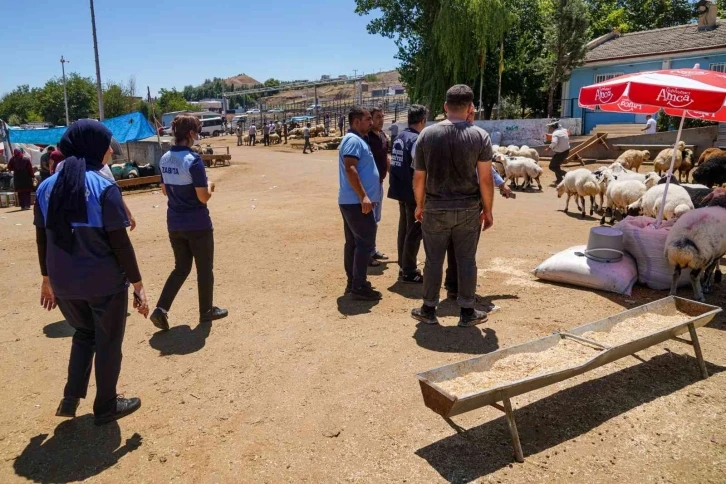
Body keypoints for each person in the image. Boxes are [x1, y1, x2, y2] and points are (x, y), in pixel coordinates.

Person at [34, 119, 147, 425]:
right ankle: (107, 406)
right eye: (107, 143)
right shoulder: (103, 186)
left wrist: (47, 279)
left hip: (64, 283)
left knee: (84, 333)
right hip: (103, 282)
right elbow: (120, 244)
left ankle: (71, 396)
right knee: (108, 342)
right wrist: (138, 284)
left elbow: (42, 237)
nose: (111, 149)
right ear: (94, 147)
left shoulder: (45, 187)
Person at [411, 84, 494, 327]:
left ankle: (428, 309)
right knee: (467, 260)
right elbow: (486, 179)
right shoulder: (480, 136)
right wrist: (487, 210)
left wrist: (419, 205)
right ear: (470, 108)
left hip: (434, 208)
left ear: (446, 107)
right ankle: (467, 311)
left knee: (432, 260)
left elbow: (419, 177)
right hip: (468, 209)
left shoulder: (426, 135)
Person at [150, 115, 228, 330]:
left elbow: (165, 190)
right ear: (191, 134)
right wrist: (211, 185)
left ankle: (160, 309)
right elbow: (203, 197)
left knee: (181, 268)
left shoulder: (165, 158)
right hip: (197, 224)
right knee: (204, 269)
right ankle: (206, 312)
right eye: (198, 131)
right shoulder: (193, 160)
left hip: (174, 223)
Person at [339, 106, 382, 300]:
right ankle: (358, 285)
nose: (371, 122)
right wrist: (364, 196)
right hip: (356, 202)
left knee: (355, 243)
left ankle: (354, 282)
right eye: (367, 119)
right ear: (357, 122)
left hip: (353, 201)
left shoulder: (357, 140)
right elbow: (350, 169)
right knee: (365, 242)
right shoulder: (353, 140)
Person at [388, 104, 427, 283]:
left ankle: (403, 265)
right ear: (423, 121)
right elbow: (419, 169)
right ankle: (409, 270)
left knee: (403, 229)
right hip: (412, 193)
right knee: (414, 231)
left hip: (400, 190)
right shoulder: (416, 140)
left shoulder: (400, 137)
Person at [366, 107, 390, 266]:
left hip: (379, 184)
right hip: (368, 186)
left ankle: (372, 249)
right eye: (377, 117)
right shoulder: (366, 138)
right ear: (370, 119)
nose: (381, 120)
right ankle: (366, 254)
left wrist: (393, 174)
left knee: (375, 220)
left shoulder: (382, 136)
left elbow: (386, 158)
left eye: (382, 116)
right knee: (367, 221)